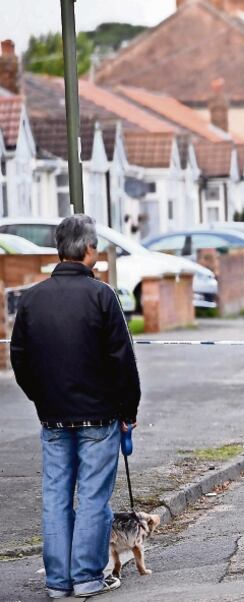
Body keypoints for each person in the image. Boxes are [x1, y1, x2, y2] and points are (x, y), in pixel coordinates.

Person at [11, 214, 141, 598]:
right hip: (99, 415)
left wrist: (41, 397)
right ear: (87, 250)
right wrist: (128, 410)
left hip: (53, 416)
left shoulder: (32, 299)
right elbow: (122, 359)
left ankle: (57, 582)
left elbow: (21, 359)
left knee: (55, 497)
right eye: (96, 245)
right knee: (93, 498)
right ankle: (86, 577)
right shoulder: (102, 296)